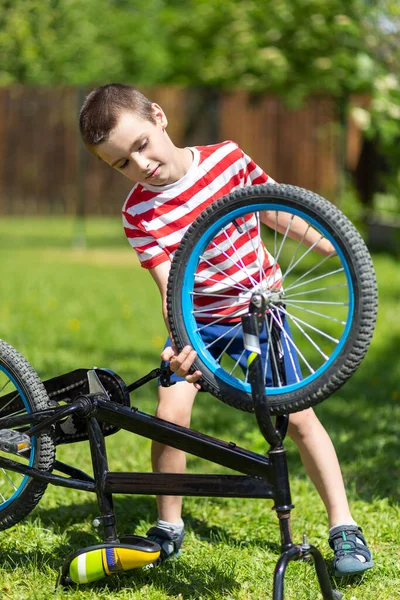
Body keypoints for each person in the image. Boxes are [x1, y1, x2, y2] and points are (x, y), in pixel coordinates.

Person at [79, 83, 374, 578]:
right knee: (169, 412)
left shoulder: (226, 160)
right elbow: (168, 282)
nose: (140, 164)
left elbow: (274, 206)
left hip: (262, 313)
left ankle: (343, 522)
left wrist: (326, 240)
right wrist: (182, 341)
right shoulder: (138, 213)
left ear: (159, 117)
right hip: (199, 320)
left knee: (298, 418)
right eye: (122, 164)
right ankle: (168, 524)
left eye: (141, 145)